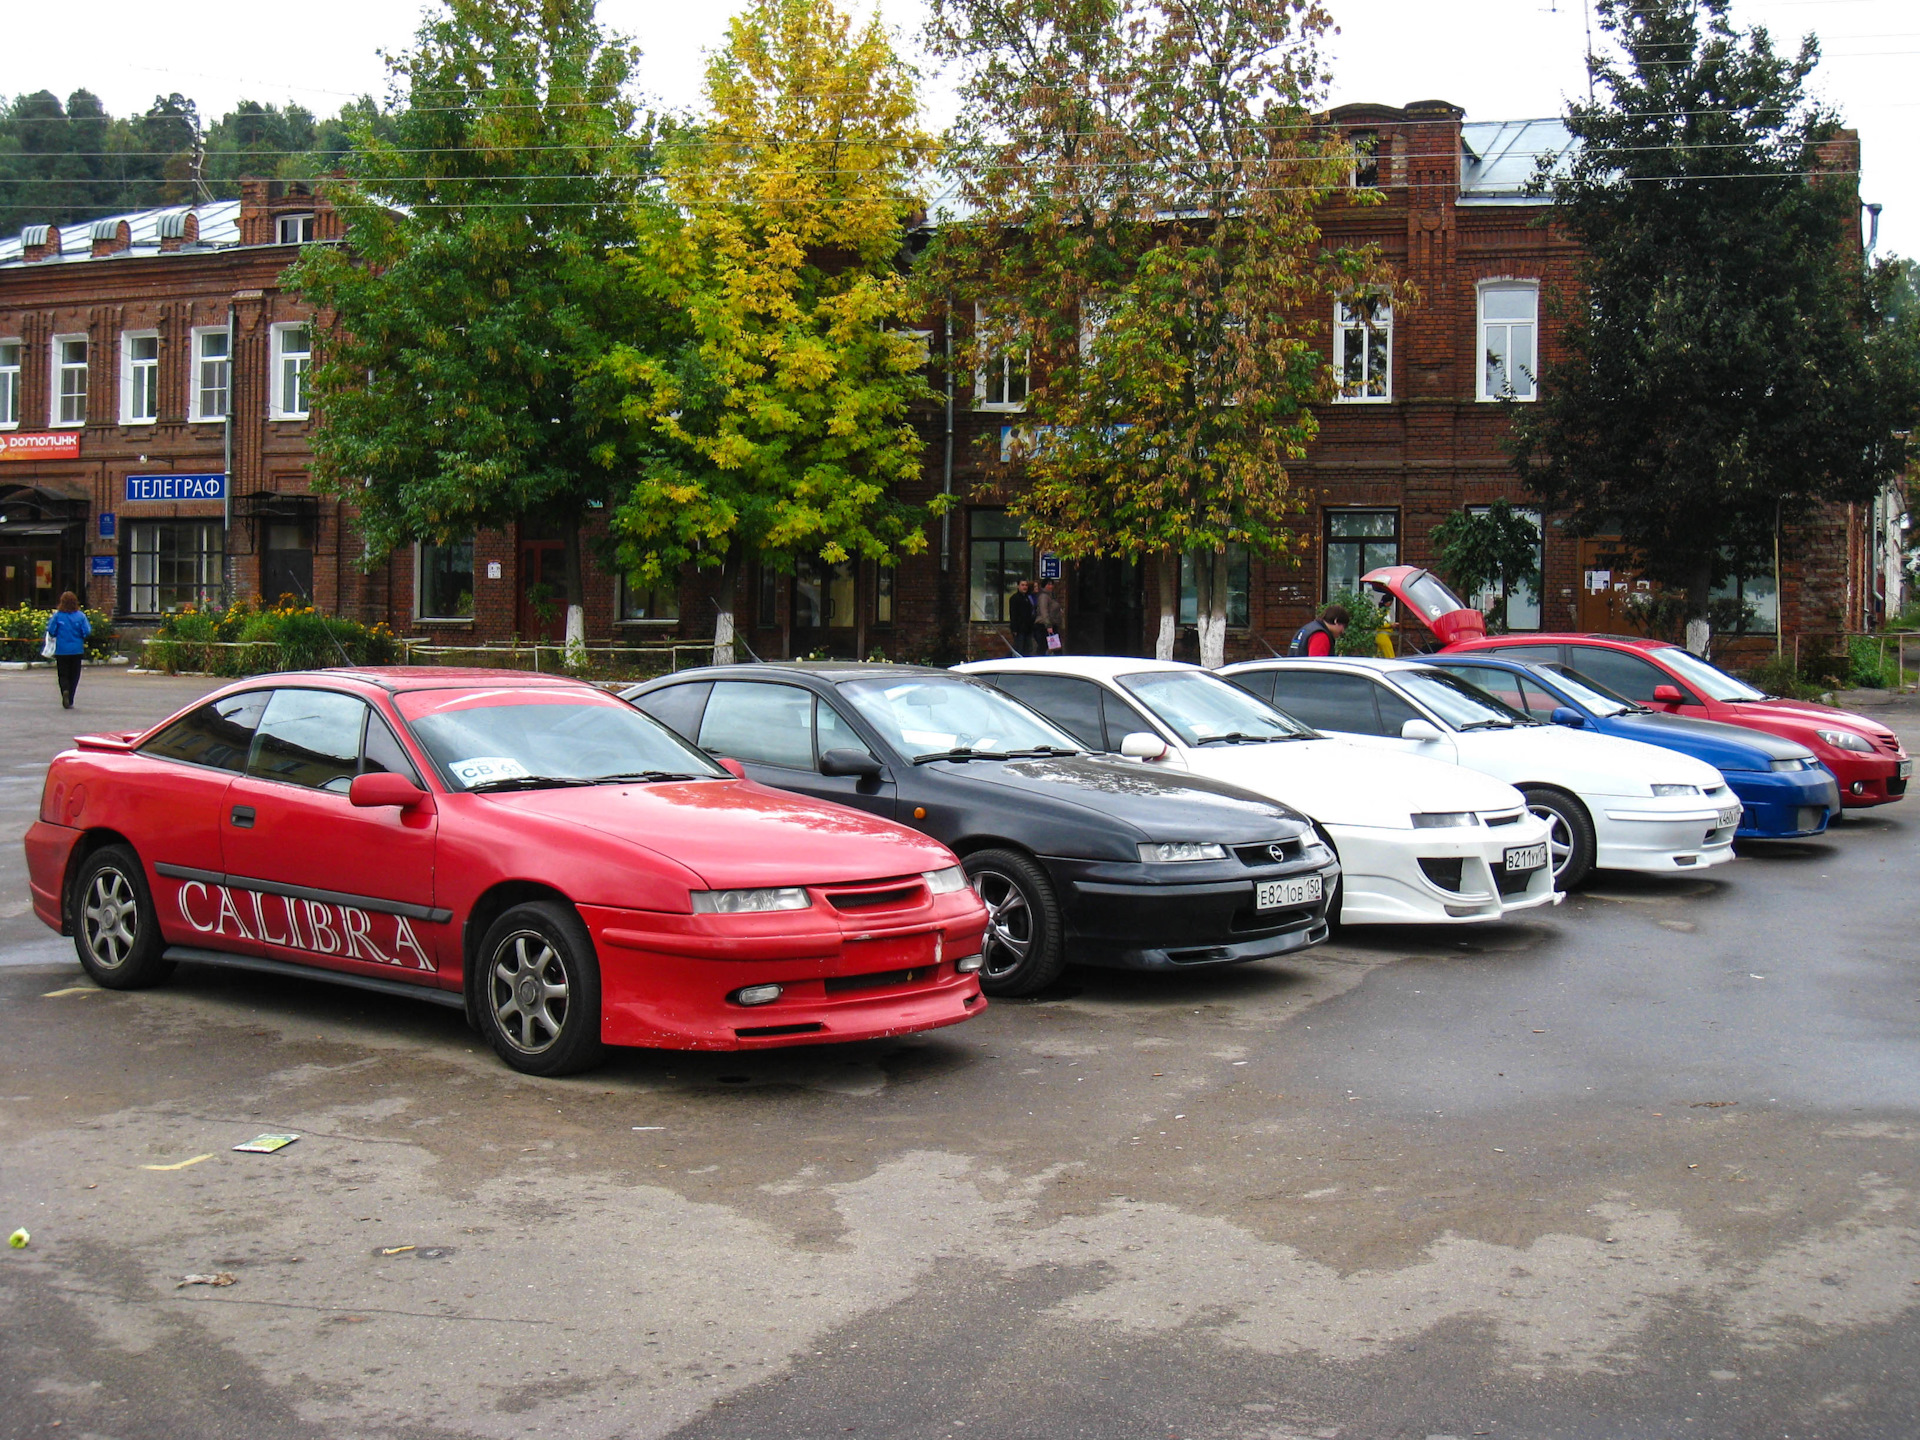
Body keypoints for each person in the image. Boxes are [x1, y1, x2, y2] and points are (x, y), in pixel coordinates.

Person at [45, 592, 91, 710]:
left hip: (62, 650)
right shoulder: (80, 616)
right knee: (74, 675)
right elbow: (87, 631)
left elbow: (51, 630)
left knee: (63, 674)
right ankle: (70, 698)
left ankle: (65, 690)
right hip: (76, 649)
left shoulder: (58, 616)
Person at [1008, 578, 1037, 655]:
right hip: (1019, 628)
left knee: (1028, 649)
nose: (1025, 587)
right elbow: (1013, 614)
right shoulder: (1015, 598)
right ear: (1018, 586)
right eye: (1022, 585)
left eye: (1026, 585)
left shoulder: (1028, 598)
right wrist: (1014, 629)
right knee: (1019, 648)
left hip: (1028, 628)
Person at [1034, 578, 1062, 654]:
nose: (1051, 586)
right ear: (1044, 586)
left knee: (1055, 647)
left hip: (1052, 624)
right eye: (1048, 584)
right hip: (1044, 626)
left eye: (1052, 584)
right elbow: (1044, 611)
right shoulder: (1043, 596)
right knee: (1043, 646)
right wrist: (1048, 625)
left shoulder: (1051, 596)